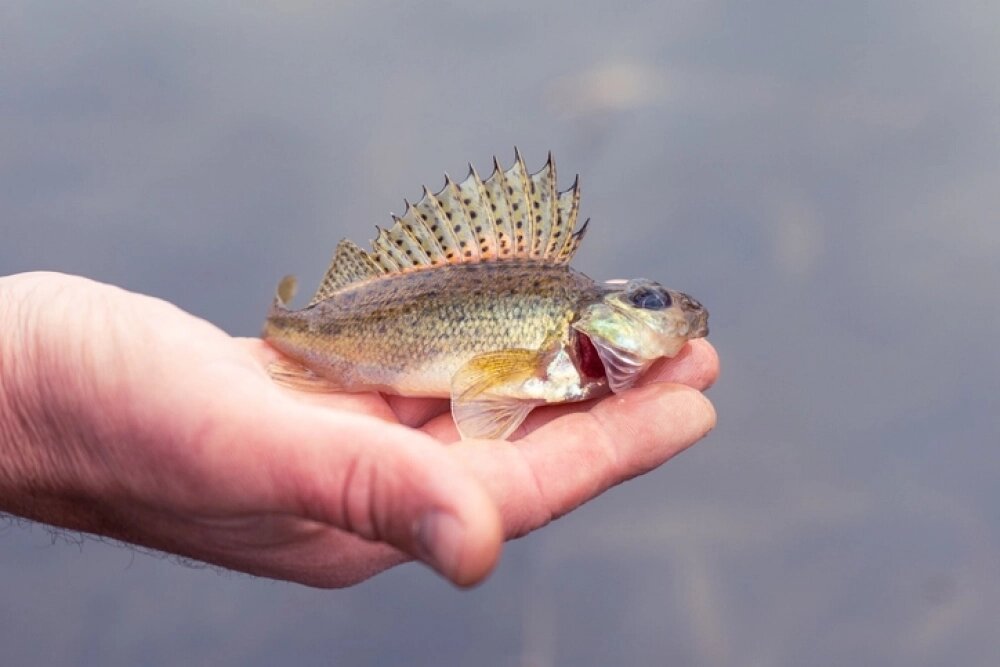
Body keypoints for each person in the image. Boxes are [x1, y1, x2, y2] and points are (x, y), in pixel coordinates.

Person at [0, 271, 718, 588]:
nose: (671, 317)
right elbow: (483, 393)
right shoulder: (558, 327)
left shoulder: (573, 332)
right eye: (649, 302)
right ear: (596, 316)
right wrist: (25, 391)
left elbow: (481, 395)